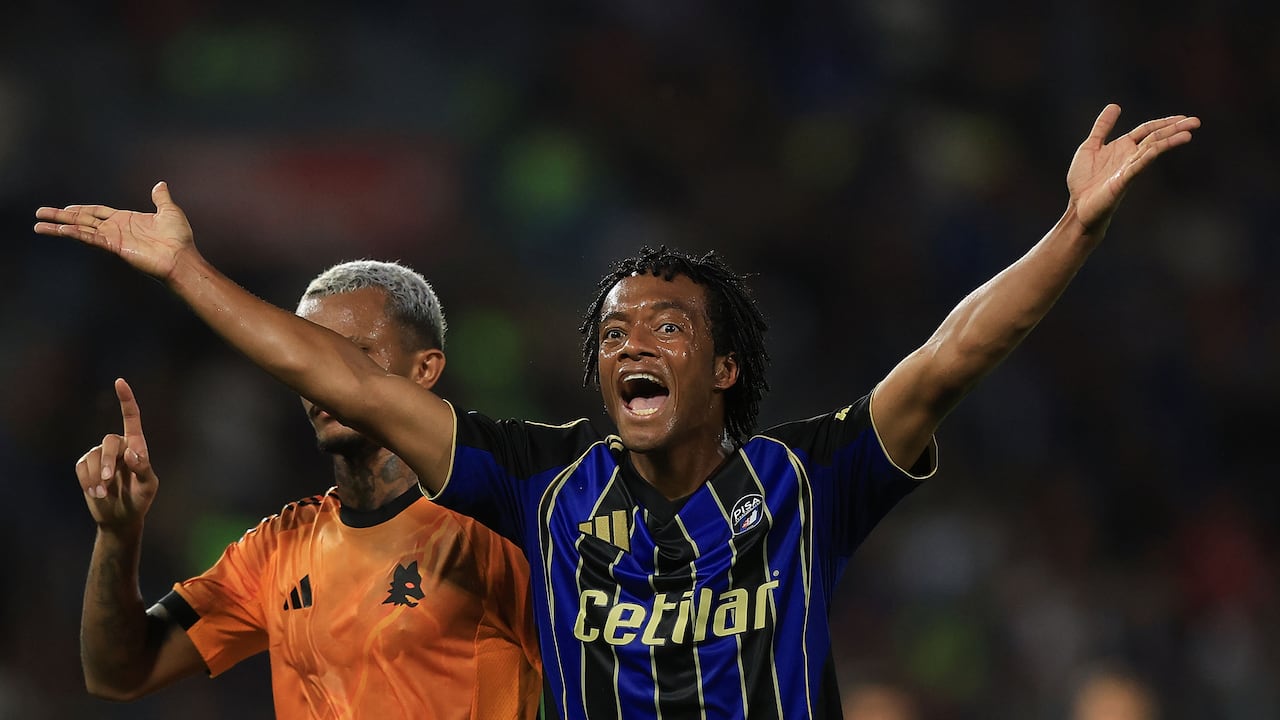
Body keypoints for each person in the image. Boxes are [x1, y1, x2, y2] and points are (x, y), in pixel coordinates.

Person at [38, 104, 1198, 718]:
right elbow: (345, 381)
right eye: (609, 333)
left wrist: (1072, 228)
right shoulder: (543, 486)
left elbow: (950, 357)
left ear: (724, 369)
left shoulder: (806, 482)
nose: (629, 343)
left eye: (664, 328)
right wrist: (189, 271)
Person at [72, 261, 542, 719]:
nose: (322, 380)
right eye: (309, 359)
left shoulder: (494, 530)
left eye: (352, 355)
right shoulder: (277, 548)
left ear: (424, 369)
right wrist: (118, 533)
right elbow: (118, 674)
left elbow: (582, 677)